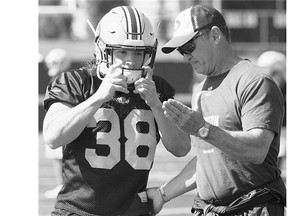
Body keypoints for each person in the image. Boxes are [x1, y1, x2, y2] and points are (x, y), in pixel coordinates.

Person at [42, 6, 190, 216]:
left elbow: (181, 148)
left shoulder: (157, 88)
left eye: (138, 53)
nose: (130, 60)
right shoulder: (77, 82)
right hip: (78, 211)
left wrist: (156, 104)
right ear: (103, 50)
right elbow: (53, 137)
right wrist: (98, 97)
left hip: (133, 211)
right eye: (122, 51)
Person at [146, 5, 286, 216]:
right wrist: (164, 194)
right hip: (212, 209)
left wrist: (203, 129)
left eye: (189, 46)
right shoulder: (201, 90)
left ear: (214, 35)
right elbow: (209, 161)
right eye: (181, 50)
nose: (186, 55)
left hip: (253, 208)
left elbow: (257, 150)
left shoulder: (254, 81)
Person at [43, 48, 72, 199]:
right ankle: (62, 184)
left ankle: (64, 186)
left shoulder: (64, 78)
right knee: (55, 155)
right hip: (58, 120)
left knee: (60, 155)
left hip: (61, 121)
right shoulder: (59, 77)